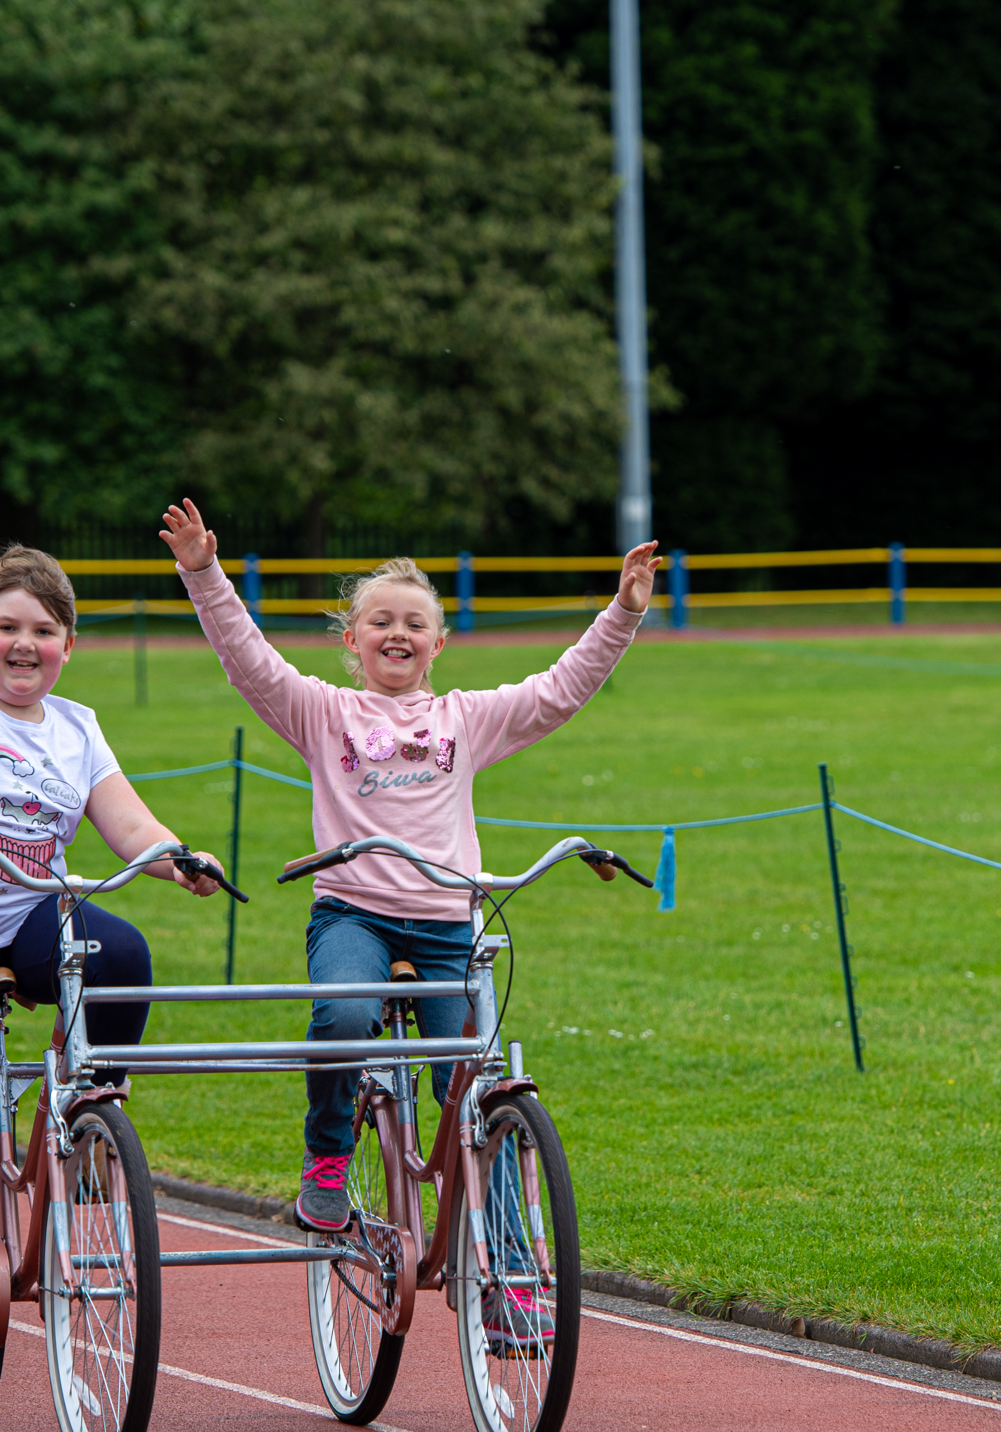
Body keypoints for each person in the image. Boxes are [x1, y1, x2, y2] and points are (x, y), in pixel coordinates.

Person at [157, 498, 656, 1347]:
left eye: (414, 623)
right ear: (350, 642)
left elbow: (557, 692)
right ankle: (328, 1151)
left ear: (438, 641)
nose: (397, 633)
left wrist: (623, 613)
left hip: (445, 927)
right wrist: (203, 572)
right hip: (354, 917)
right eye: (378, 621)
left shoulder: (465, 720)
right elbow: (249, 662)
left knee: (481, 1094)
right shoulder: (323, 713)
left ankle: (507, 1279)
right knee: (344, 1011)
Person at [0, 544, 222, 1406]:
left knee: (124, 953)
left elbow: (125, 819)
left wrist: (175, 858)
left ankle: (85, 1108)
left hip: (30, 918)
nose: (23, 646)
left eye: (44, 631)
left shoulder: (77, 725)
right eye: (7, 628)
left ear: (68, 644)